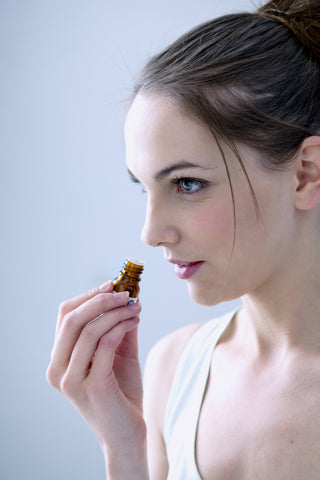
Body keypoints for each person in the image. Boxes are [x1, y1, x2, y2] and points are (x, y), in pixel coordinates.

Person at [46, 0, 320, 478]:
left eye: (187, 183)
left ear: (305, 173)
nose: (151, 234)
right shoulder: (172, 369)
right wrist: (126, 450)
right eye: (144, 187)